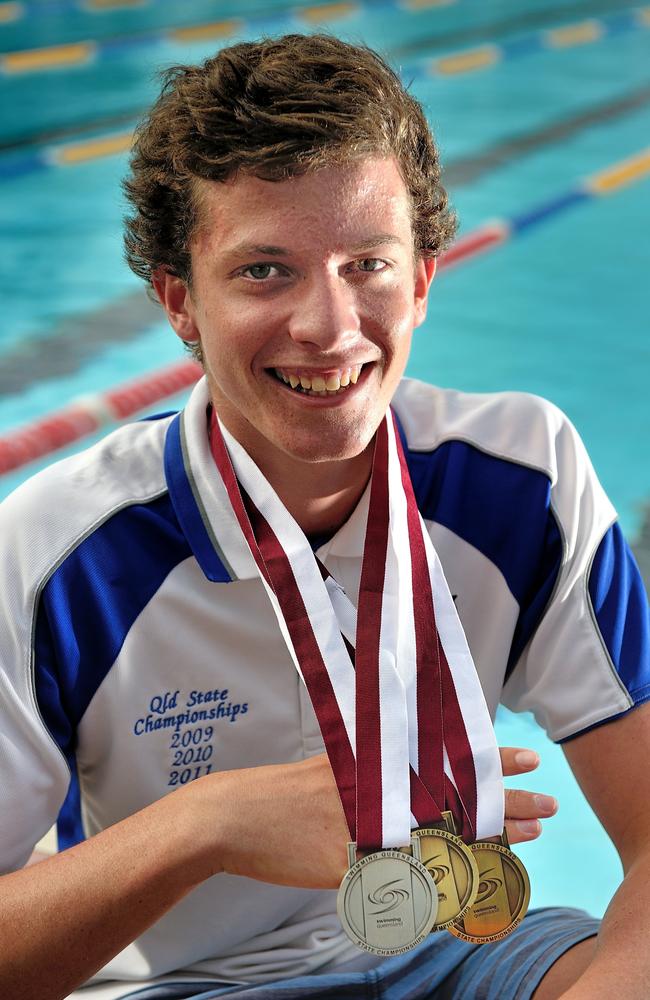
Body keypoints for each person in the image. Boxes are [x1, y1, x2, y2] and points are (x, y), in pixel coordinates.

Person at [0, 32, 648, 1000]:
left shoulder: (519, 478)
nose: (330, 326)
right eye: (265, 269)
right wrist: (205, 824)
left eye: (367, 263)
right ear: (180, 302)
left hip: (450, 955)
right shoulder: (59, 552)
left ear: (424, 277)